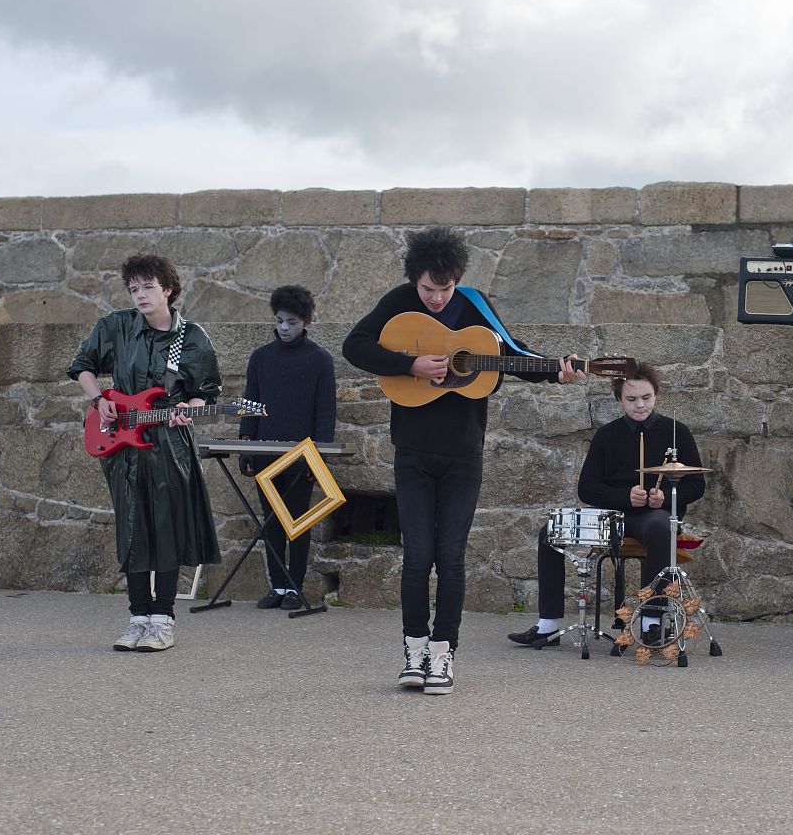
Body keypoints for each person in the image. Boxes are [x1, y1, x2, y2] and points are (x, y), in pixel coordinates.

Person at [342, 226, 582, 695]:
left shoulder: (475, 305)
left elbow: (511, 356)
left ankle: (443, 654)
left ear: (458, 279)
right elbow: (355, 346)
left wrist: (557, 370)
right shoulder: (397, 302)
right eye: (427, 289)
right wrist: (409, 365)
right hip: (411, 450)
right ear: (415, 279)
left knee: (450, 558)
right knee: (417, 558)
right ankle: (413, 650)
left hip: (462, 454)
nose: (435, 298)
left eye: (444, 288)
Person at [68, 254, 222, 652]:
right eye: (133, 288)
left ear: (167, 289)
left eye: (147, 286)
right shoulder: (115, 326)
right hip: (124, 446)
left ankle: (162, 620)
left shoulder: (192, 336)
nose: (139, 294)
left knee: (167, 527)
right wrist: (99, 396)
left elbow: (206, 393)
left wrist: (188, 407)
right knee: (133, 527)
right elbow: (83, 366)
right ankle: (137, 618)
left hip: (170, 446)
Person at [508, 362, 705, 649]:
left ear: (656, 395)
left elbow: (696, 485)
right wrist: (625, 497)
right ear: (619, 400)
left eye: (646, 398)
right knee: (549, 531)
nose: (640, 405)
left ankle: (652, 622)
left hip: (652, 517)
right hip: (611, 516)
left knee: (661, 527)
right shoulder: (607, 435)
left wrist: (666, 497)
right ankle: (547, 625)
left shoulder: (677, 432)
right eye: (632, 399)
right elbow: (587, 487)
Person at [238, 285, 336, 612]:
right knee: (271, 522)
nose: (284, 327)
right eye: (279, 320)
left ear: (305, 321)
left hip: (302, 456)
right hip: (266, 455)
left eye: (291, 322)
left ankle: (295, 586)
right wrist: (246, 448)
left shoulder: (320, 360)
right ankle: (277, 586)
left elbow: (325, 414)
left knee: (298, 521)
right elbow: (249, 406)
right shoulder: (260, 358)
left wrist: (317, 458)